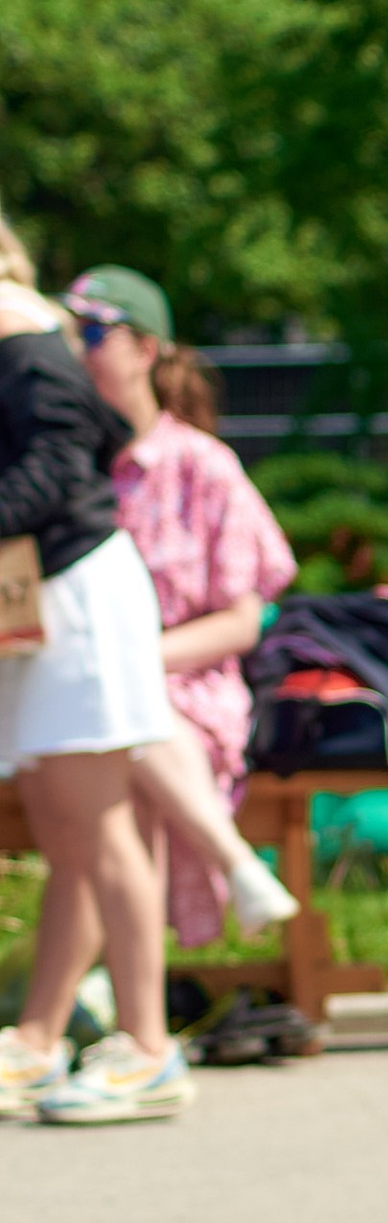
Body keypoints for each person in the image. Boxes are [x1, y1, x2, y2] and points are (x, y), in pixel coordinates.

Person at [0, 226, 189, 1122]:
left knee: (104, 829)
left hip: (79, 600)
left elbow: (54, 471)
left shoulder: (31, 348)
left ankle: (150, 1047)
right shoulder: (31, 345)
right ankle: (40, 1039)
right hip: (47, 608)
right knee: (70, 834)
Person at [62, 267, 300, 951]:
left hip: (187, 688)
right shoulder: (63, 467)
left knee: (124, 721)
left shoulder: (204, 465)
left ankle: (128, 994)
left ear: (147, 348)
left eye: (95, 332)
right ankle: (232, 868)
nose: (78, 351)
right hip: (81, 694)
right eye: (69, 335)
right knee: (108, 729)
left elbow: (243, 619)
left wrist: (133, 657)